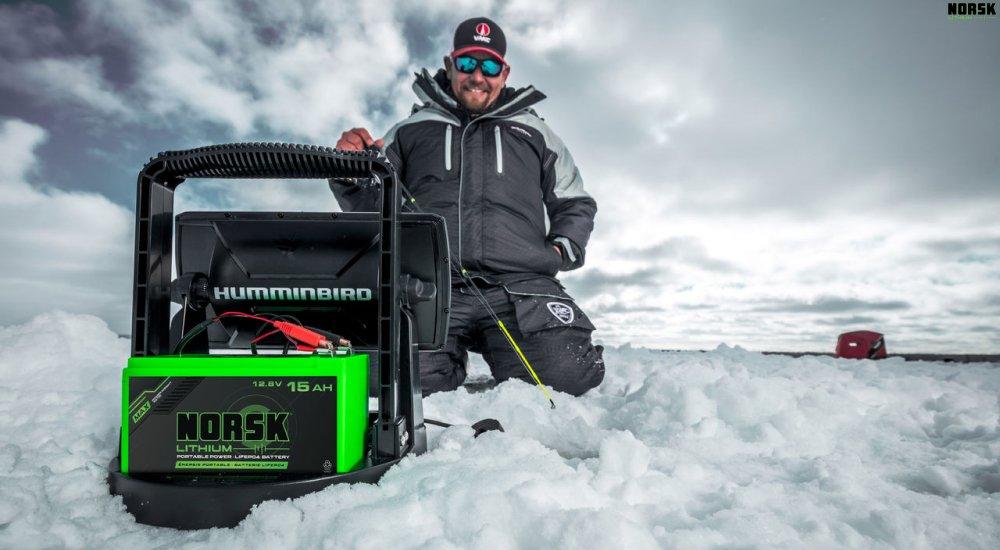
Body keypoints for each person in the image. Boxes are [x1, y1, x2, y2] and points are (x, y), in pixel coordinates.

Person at [331, 16, 604, 397]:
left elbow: (575, 201)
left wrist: (561, 248)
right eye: (467, 64)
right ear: (450, 65)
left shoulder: (538, 133)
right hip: (431, 283)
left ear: (504, 72)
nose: (478, 76)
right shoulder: (409, 130)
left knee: (568, 376)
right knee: (388, 380)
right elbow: (375, 203)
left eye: (490, 66)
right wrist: (350, 171)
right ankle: (442, 365)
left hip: (522, 286)